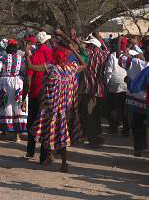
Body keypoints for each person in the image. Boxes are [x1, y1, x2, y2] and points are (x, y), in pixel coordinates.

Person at [27, 44, 86, 172]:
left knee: (47, 131)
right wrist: (75, 51)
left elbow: (31, 67)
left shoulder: (50, 68)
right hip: (66, 109)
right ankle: (54, 158)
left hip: (51, 108)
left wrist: (27, 55)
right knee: (60, 134)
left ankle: (58, 160)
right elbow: (85, 65)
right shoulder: (71, 69)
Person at [24, 31, 53, 161]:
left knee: (32, 122)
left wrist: (25, 94)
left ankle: (30, 151)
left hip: (35, 93)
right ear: (47, 42)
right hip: (48, 93)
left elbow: (29, 77)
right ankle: (44, 155)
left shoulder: (34, 56)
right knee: (45, 124)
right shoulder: (51, 53)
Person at [0, 39, 27, 142]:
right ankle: (17, 136)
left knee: (4, 104)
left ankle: (4, 132)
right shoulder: (22, 58)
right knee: (17, 106)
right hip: (18, 82)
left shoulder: (2, 57)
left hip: (4, 82)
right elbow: (24, 71)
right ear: (16, 49)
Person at [79, 33, 109, 147]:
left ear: (93, 46)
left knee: (89, 114)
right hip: (99, 89)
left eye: (89, 45)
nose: (87, 47)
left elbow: (81, 50)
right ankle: (95, 136)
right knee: (95, 114)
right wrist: (100, 39)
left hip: (89, 89)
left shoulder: (89, 54)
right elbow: (106, 48)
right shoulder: (104, 54)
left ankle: (93, 139)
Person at [104, 37, 129, 136]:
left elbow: (108, 71)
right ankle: (125, 129)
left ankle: (114, 128)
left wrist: (107, 84)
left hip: (114, 84)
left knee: (114, 107)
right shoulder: (130, 55)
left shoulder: (112, 55)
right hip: (126, 85)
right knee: (124, 108)